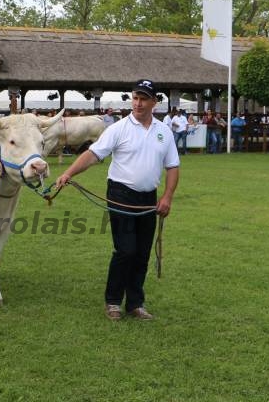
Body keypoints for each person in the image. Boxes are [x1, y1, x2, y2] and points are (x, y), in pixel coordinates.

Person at [55, 79, 180, 322]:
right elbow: (93, 155)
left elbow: (173, 166)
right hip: (121, 195)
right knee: (126, 250)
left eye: (144, 99)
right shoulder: (118, 129)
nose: (138, 103)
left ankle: (135, 303)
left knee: (142, 252)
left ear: (154, 102)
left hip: (148, 198)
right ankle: (113, 302)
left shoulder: (164, 131)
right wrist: (68, 173)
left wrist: (167, 197)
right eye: (135, 98)